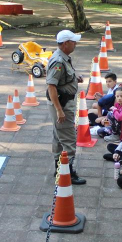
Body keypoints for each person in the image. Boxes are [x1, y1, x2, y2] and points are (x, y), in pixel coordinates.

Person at [47, 30, 86, 184]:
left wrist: (73, 78)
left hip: (62, 102)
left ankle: (58, 168)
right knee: (69, 139)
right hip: (62, 104)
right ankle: (68, 173)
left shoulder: (63, 58)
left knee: (58, 136)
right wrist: (59, 110)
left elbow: (62, 78)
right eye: (73, 41)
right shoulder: (58, 61)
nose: (75, 44)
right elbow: (51, 86)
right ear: (65, 44)